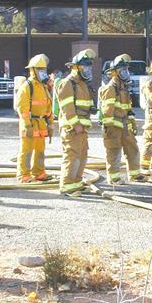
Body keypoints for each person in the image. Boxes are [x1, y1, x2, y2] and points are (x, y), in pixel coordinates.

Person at [100, 54, 146, 185]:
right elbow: (107, 110)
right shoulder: (110, 87)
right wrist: (109, 127)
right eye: (122, 70)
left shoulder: (124, 87)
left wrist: (131, 120)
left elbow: (127, 107)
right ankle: (114, 178)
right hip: (114, 126)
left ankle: (135, 174)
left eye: (126, 69)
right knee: (114, 151)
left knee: (132, 148)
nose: (126, 72)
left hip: (125, 125)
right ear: (115, 72)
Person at [57, 49, 96, 197]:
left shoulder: (83, 84)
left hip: (83, 128)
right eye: (85, 67)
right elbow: (67, 108)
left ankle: (76, 182)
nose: (88, 70)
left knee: (82, 155)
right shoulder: (67, 83)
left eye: (89, 67)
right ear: (75, 67)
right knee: (72, 155)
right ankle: (67, 185)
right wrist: (76, 124)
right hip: (72, 128)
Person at [16, 54, 54, 183]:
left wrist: (50, 124)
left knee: (40, 150)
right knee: (26, 150)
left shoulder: (44, 87)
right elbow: (22, 108)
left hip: (41, 124)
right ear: (32, 70)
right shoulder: (27, 87)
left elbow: (48, 106)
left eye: (44, 69)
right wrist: (27, 126)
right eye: (39, 69)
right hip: (30, 123)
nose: (43, 72)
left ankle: (39, 173)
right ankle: (24, 175)